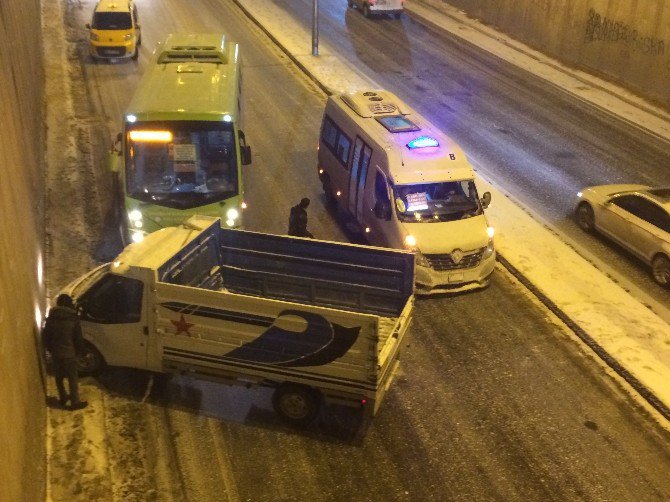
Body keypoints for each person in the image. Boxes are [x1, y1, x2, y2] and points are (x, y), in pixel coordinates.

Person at [43, 294, 88, 410]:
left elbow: (45, 336)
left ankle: (62, 397)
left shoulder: (51, 318)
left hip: (56, 354)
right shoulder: (73, 319)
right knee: (72, 378)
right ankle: (75, 402)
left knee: (59, 377)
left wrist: (51, 350)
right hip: (69, 354)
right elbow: (77, 338)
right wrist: (81, 352)